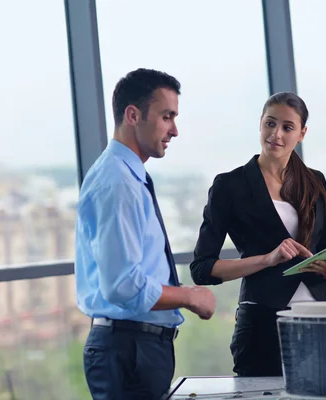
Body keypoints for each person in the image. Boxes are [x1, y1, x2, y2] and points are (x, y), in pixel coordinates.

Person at [190, 92, 326, 377]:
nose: (276, 134)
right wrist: (267, 259)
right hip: (262, 324)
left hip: (320, 320)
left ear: (302, 133)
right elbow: (201, 269)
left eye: (287, 127)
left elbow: (323, 249)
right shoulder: (229, 186)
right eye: (270, 123)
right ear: (260, 123)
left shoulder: (315, 182)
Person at [75, 68, 216, 399]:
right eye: (167, 116)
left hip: (137, 348)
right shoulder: (117, 182)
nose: (175, 130)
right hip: (128, 350)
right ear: (133, 115)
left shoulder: (128, 177)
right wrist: (190, 297)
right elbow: (123, 283)